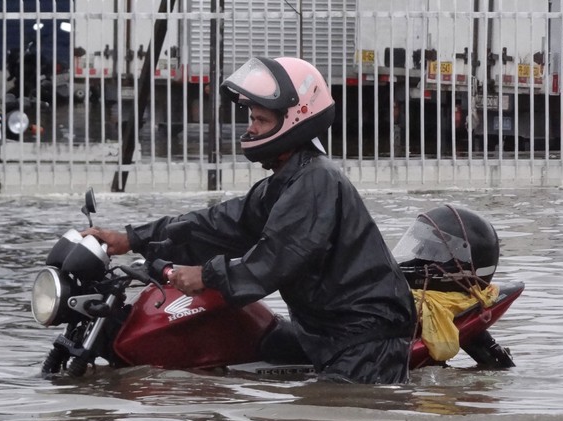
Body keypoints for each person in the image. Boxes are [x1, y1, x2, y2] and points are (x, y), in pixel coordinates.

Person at [84, 56, 416, 384]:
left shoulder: (316, 182)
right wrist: (132, 239)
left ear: (295, 121)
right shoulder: (286, 181)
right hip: (328, 332)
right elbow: (219, 224)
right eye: (252, 118)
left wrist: (206, 275)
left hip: (364, 336)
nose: (251, 129)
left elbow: (275, 258)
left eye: (261, 120)